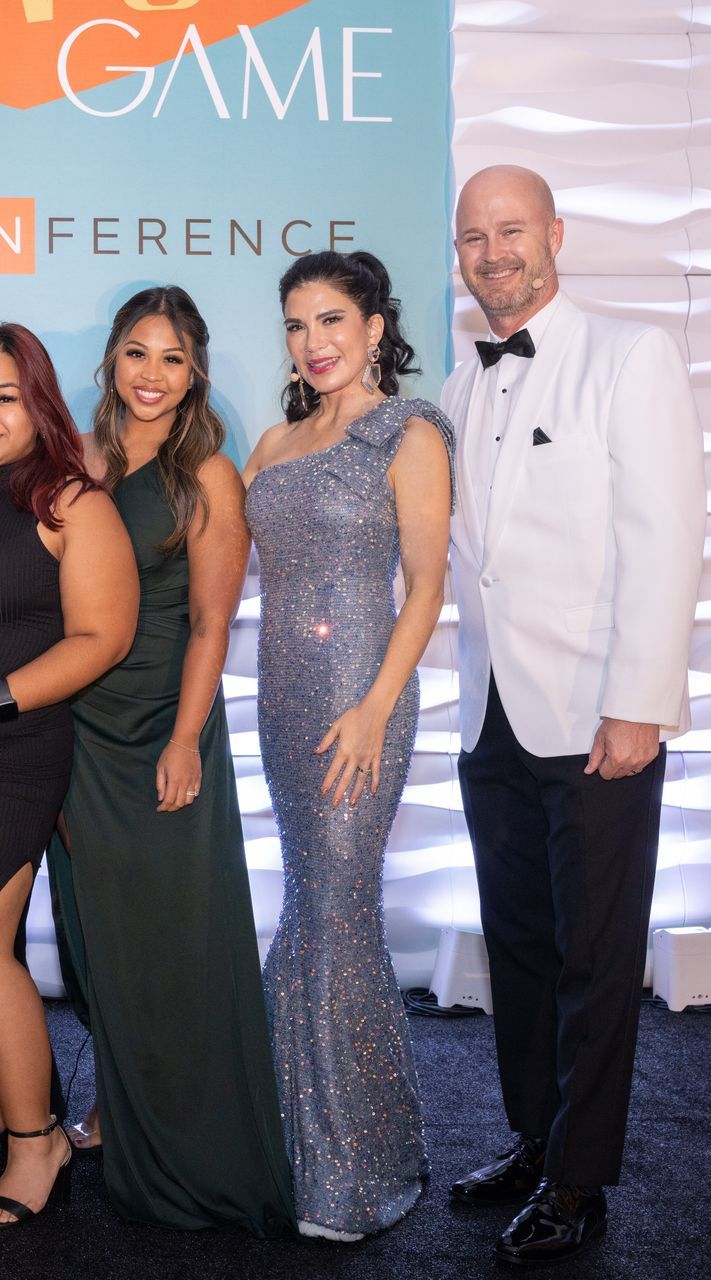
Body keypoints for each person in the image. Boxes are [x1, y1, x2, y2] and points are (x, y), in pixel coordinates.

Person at [442, 165, 704, 1266]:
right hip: (492, 714)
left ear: (556, 233)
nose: (493, 252)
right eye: (474, 236)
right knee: (520, 943)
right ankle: (533, 1138)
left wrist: (640, 703)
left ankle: (580, 1179)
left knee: (595, 957)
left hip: (600, 714)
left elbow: (665, 537)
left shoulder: (631, 355)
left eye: (511, 229)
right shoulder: (459, 384)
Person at [45, 286, 294, 1236]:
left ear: (195, 374)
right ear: (113, 359)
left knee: (169, 940)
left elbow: (211, 623)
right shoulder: (74, 459)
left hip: (158, 724)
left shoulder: (210, 475)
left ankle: (183, 1133)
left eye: (173, 359)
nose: (152, 375)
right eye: (138, 353)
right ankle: (118, 1104)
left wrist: (187, 738)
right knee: (95, 934)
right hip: (72, 721)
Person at [241, 251, 454, 1240]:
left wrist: (374, 706)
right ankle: (308, 1136)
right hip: (283, 697)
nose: (313, 341)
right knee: (311, 905)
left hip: (361, 700)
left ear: (374, 328)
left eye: (331, 319)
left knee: (335, 909)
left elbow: (427, 585)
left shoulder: (408, 433)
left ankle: (351, 1169)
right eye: (296, 324)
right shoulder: (275, 441)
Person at [0, 323, 138, 1226]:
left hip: (10, 754)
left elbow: (103, 637)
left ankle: (37, 1140)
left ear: (39, 404)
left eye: (5, 397)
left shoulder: (71, 502)